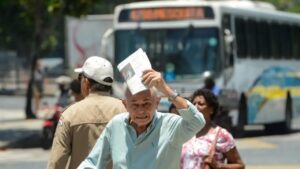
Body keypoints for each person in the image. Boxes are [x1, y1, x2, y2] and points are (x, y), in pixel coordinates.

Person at [77, 69, 206, 169]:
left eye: (146, 103)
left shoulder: (170, 125)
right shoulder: (116, 125)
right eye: (135, 104)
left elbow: (197, 121)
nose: (141, 110)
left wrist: (166, 90)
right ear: (125, 105)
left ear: (157, 102)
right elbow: (92, 163)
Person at [47, 56, 127, 169]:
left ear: (86, 82)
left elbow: (56, 162)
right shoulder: (125, 111)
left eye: (80, 77)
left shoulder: (70, 114)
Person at [181, 89, 245, 169]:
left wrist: (218, 166)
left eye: (201, 104)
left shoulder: (222, 135)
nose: (195, 107)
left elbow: (240, 165)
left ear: (211, 109)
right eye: (193, 104)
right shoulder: (185, 132)